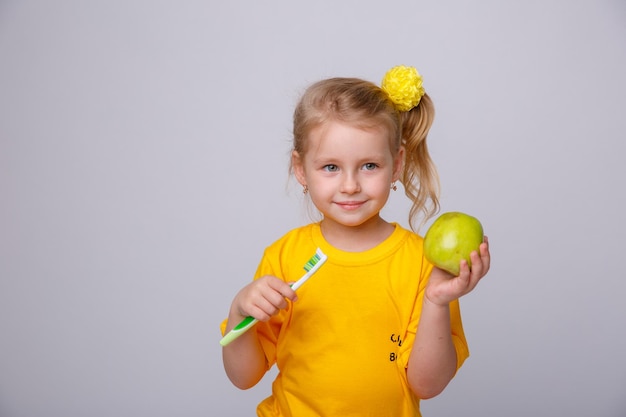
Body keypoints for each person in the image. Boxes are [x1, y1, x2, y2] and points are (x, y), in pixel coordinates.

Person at [220, 65, 491, 417]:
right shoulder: (284, 255)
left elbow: (428, 386)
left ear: (396, 165)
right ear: (301, 169)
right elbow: (243, 377)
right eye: (331, 167)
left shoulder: (423, 263)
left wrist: (437, 302)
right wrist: (239, 311)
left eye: (369, 166)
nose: (350, 185)